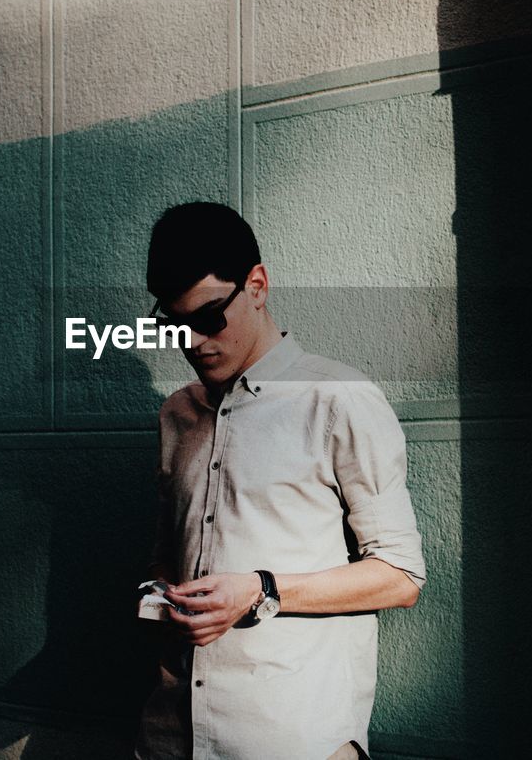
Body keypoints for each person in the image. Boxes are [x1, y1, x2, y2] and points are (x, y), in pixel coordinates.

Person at [133, 202, 427, 760]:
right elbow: (164, 555)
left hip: (293, 742)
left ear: (258, 285)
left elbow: (400, 576)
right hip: (170, 737)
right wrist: (162, 593)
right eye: (174, 325)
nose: (192, 342)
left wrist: (259, 589)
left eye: (209, 317)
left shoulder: (337, 398)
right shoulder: (177, 415)